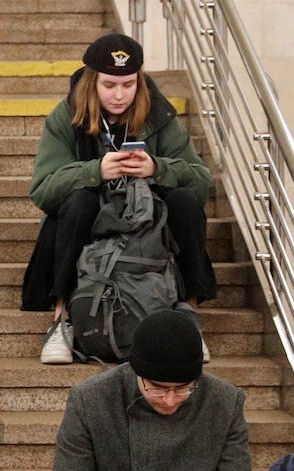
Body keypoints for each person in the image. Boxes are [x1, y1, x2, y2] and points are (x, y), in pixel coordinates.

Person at [21, 33, 217, 365]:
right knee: (78, 202)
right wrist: (95, 171)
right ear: (91, 82)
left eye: (128, 85)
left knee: (185, 202)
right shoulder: (66, 116)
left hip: (148, 219)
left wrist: (157, 168)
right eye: (109, 85)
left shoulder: (159, 115)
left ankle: (189, 319)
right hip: (90, 216)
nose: (119, 95)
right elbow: (42, 190)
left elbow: (202, 182)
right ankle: (61, 320)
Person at [52, 309, 250, 471]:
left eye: (183, 388)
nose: (170, 400)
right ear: (137, 373)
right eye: (157, 388)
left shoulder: (225, 402)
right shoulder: (91, 400)